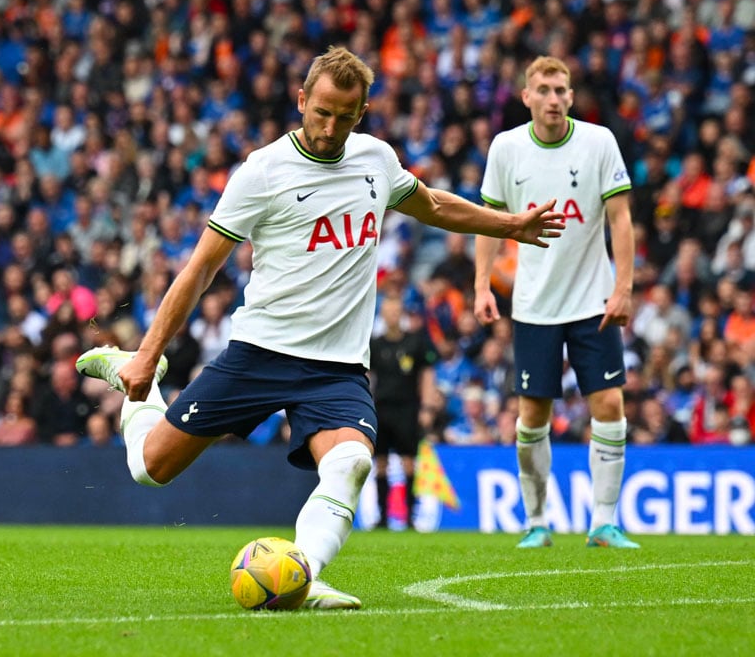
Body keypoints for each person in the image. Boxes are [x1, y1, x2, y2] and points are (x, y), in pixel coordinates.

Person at [76, 46, 565, 609]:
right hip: (259, 352)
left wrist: (510, 225)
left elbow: (430, 204)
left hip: (336, 368)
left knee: (352, 462)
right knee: (150, 469)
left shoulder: (376, 160)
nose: (331, 128)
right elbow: (200, 268)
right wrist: (148, 351)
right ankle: (138, 375)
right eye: (322, 112)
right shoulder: (262, 172)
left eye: (346, 116)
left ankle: (302, 577)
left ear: (362, 114)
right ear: (302, 100)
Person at [473, 55, 640, 550]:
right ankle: (537, 521)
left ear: (571, 96)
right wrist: (482, 284)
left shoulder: (598, 142)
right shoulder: (506, 149)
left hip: (593, 300)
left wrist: (624, 287)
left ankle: (604, 523)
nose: (553, 98)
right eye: (543, 89)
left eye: (561, 90)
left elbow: (621, 220)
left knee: (609, 403)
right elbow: (489, 219)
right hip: (534, 305)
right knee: (533, 415)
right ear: (526, 97)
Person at [368, 296, 437, 530]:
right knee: (381, 462)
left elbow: (426, 375)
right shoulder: (375, 344)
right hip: (381, 408)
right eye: (388, 311)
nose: (393, 315)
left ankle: (409, 517)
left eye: (397, 310)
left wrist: (427, 407)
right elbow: (369, 378)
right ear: (383, 315)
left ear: (402, 314)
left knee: (409, 461)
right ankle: (382, 517)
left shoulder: (415, 343)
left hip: (408, 408)